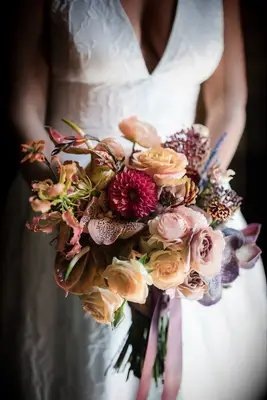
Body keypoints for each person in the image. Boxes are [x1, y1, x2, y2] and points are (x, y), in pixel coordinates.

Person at [1, 0, 266, 399]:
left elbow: (228, 101)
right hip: (71, 202)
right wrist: (71, 208)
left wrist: (196, 201)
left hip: (190, 195)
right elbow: (22, 107)